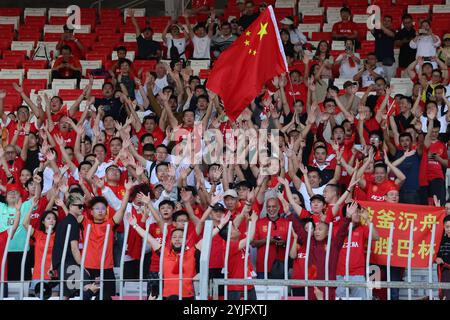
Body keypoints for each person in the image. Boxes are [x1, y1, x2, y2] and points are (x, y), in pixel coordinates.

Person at [51, 192, 85, 299]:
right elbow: (74, 247)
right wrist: (82, 264)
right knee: (72, 294)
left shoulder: (63, 222)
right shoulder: (73, 223)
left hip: (61, 263)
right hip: (70, 264)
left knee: (66, 294)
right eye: (79, 206)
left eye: (83, 206)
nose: (82, 208)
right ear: (70, 206)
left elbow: (56, 245)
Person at [372, 16, 396, 82]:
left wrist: (381, 25)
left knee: (390, 82)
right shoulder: (378, 31)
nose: (386, 22)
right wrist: (373, 18)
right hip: (378, 60)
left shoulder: (393, 31)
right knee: (378, 81)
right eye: (385, 20)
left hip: (389, 61)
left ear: (391, 23)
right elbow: (371, 28)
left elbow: (391, 34)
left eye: (388, 21)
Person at [437, 215, 450, 300]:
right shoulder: (440, 240)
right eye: (447, 227)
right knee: (445, 295)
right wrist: (436, 258)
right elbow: (436, 254)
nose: (449, 229)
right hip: (445, 271)